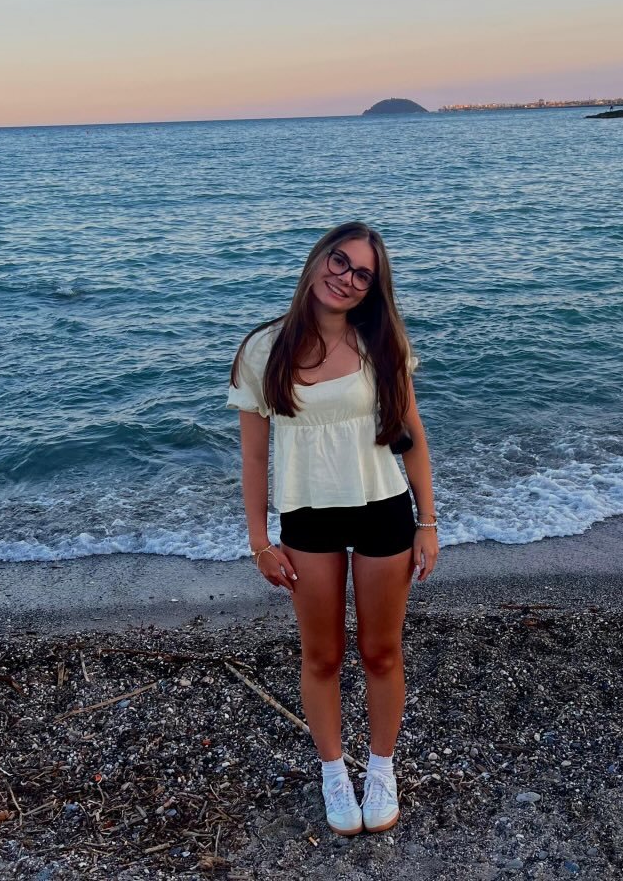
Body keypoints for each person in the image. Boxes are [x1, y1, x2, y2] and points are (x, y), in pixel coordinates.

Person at [227, 221, 439, 836]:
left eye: (362, 274)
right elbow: (254, 458)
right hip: (307, 516)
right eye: (340, 261)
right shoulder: (263, 349)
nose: (345, 278)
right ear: (319, 257)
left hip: (383, 508)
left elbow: (412, 436)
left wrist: (427, 522)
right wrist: (259, 542)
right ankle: (333, 773)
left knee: (380, 650)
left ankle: (381, 769)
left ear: (373, 288)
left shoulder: (382, 342)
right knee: (321, 655)